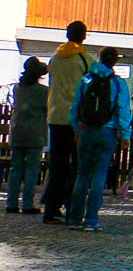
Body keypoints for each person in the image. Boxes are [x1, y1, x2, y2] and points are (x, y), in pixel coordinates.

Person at [66, 47, 131, 231]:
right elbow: (123, 110)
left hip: (86, 131)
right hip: (107, 132)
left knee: (82, 175)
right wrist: (125, 135)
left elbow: (74, 107)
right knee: (100, 176)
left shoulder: (86, 79)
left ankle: (75, 219)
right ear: (114, 62)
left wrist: (78, 128)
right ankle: (92, 220)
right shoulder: (118, 83)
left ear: (99, 58)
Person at [41, 21, 90, 224]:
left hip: (55, 116)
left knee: (57, 164)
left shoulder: (54, 58)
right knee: (77, 166)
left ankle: (51, 209)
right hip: (75, 120)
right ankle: (73, 209)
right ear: (84, 36)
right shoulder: (84, 59)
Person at [5, 58, 48, 214]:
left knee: (15, 169)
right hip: (35, 134)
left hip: (17, 132)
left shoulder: (17, 88)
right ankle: (28, 204)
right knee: (31, 170)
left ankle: (11, 203)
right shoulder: (44, 91)